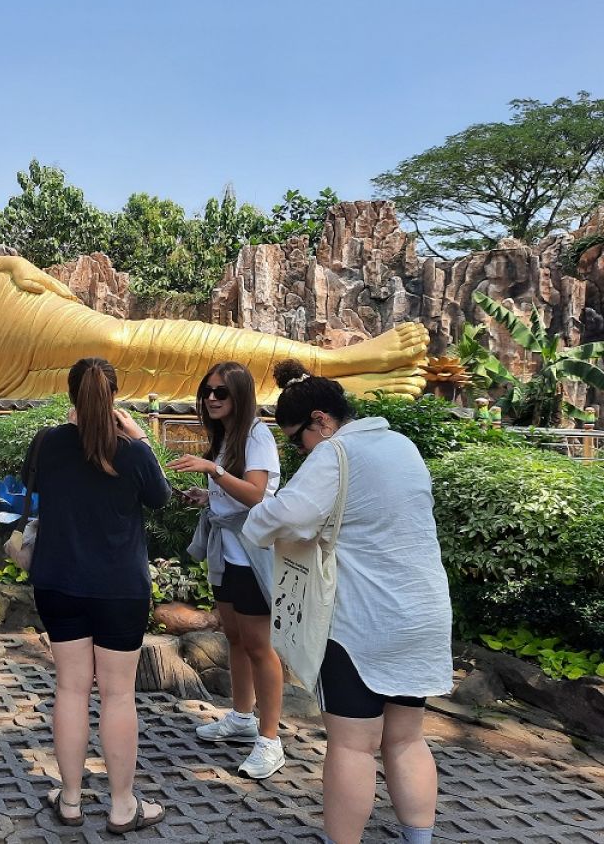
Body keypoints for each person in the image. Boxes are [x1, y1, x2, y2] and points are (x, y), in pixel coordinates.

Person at [242, 359, 453, 844]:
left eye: (297, 439)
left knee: (354, 747)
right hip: (420, 613)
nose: (299, 452)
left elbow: (275, 520)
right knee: (406, 738)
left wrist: (264, 520)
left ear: (321, 420)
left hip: (362, 622)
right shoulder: (402, 445)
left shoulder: (334, 454)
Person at [24, 357, 171, 834]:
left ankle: (69, 800)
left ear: (71, 396)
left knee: (69, 688)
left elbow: (38, 484)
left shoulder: (47, 444)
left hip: (58, 580)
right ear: (114, 398)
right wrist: (141, 438)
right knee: (116, 695)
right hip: (119, 589)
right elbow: (161, 498)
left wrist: (74, 427)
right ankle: (122, 805)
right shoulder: (130, 451)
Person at [167, 362, 285, 779]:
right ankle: (241, 717)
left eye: (222, 392)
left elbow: (256, 495)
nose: (212, 398)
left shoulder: (256, 435)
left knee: (259, 644)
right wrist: (207, 494)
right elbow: (233, 492)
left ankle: (270, 741)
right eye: (207, 391)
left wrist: (213, 471)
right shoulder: (227, 437)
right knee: (234, 636)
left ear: (240, 396)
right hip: (226, 550)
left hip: (251, 553)